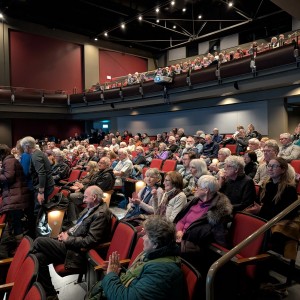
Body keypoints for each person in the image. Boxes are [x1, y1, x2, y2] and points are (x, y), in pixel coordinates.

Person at [32, 185, 112, 299]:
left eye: (85, 197)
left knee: (39, 241)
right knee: (38, 258)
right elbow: (76, 226)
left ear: (94, 197)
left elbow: (91, 240)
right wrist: (66, 233)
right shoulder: (90, 208)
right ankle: (51, 294)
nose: (83, 200)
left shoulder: (101, 214)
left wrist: (68, 239)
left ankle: (23, 270)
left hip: (76, 251)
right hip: (70, 244)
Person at [94, 215, 184, 300]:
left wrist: (111, 275)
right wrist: (118, 271)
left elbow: (126, 298)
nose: (143, 237)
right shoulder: (155, 255)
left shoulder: (163, 272)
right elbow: (138, 279)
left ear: (156, 244)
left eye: (146, 235)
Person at [174, 175, 232, 271]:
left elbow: (214, 237)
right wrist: (179, 231)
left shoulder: (217, 211)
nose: (195, 189)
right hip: (179, 237)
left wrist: (183, 236)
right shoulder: (195, 201)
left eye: (198, 187)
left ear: (206, 190)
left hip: (193, 246)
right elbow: (181, 220)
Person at [258, 158, 298, 256]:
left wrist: (261, 209)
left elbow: (285, 213)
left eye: (274, 166)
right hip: (264, 217)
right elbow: (260, 202)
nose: (270, 169)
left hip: (277, 222)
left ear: (283, 170)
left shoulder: (289, 189)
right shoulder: (267, 184)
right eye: (269, 165)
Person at [0, 144, 32, 258]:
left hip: (15, 197)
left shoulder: (9, 161)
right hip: (15, 196)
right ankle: (18, 246)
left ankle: (20, 249)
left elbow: (8, 177)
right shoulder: (10, 160)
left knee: (16, 222)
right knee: (14, 222)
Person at [20, 136, 55, 235]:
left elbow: (42, 174)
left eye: (23, 147)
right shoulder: (37, 154)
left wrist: (41, 192)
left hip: (43, 188)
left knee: (39, 212)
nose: (23, 149)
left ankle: (40, 236)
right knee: (39, 211)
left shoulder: (36, 156)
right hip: (42, 186)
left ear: (27, 146)